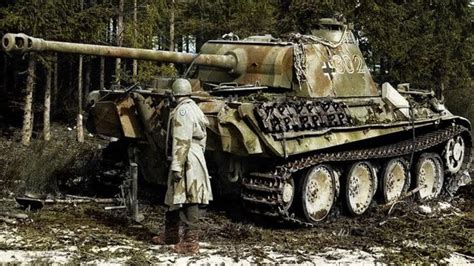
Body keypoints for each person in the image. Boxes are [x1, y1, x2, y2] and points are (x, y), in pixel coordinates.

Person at [152, 78, 212, 254]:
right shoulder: (194, 108)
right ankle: (171, 234)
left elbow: (181, 140)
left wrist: (178, 165)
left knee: (189, 198)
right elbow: (204, 138)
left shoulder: (183, 111)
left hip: (186, 157)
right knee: (174, 195)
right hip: (193, 155)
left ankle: (190, 242)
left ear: (175, 95)